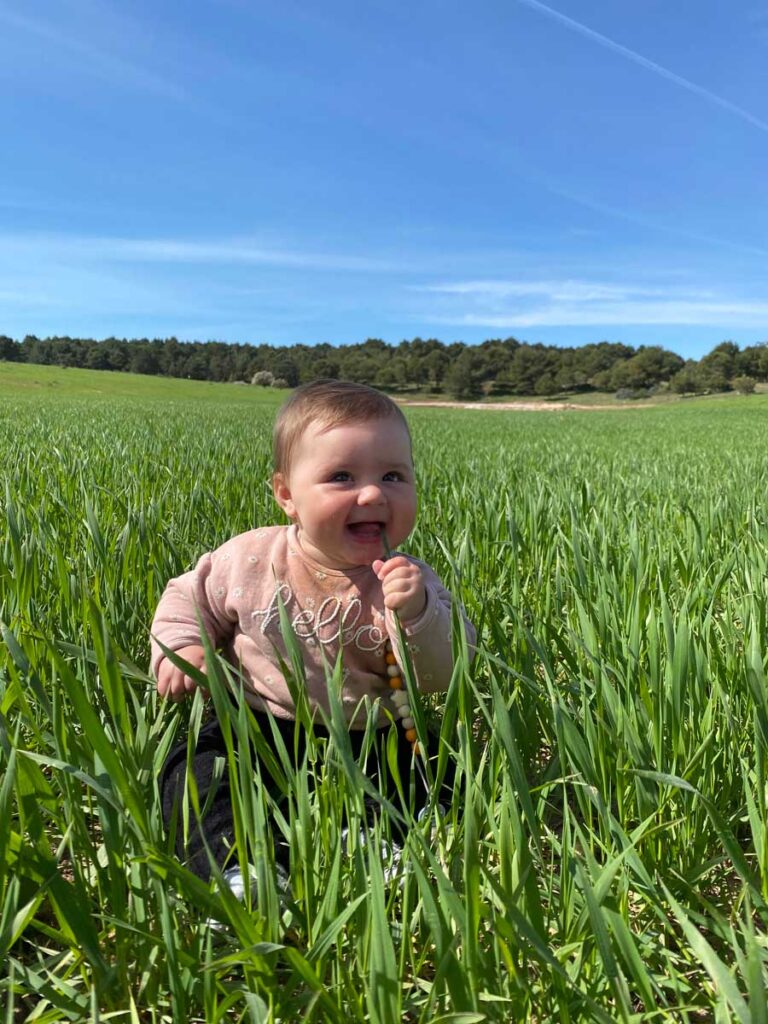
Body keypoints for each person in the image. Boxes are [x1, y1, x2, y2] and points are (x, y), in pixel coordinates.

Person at [151, 378, 475, 885]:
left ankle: (372, 840)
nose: (372, 493)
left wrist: (418, 613)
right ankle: (237, 868)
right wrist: (185, 645)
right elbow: (188, 597)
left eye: (393, 476)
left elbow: (444, 673)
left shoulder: (410, 580)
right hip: (257, 725)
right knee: (195, 771)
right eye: (341, 476)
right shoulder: (251, 558)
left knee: (438, 776)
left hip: (375, 734)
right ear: (287, 495)